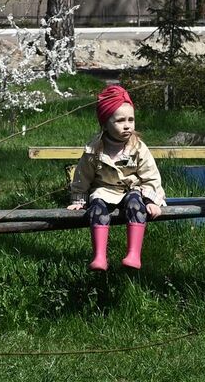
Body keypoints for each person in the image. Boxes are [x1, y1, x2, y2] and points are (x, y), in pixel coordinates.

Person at [66, 83, 165, 270]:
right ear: (105, 123)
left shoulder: (138, 148)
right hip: (104, 191)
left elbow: (151, 176)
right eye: (120, 121)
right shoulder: (94, 150)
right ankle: (99, 257)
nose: (127, 126)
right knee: (96, 210)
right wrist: (79, 199)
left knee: (136, 205)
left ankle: (134, 254)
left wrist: (152, 200)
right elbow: (82, 176)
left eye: (131, 120)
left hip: (132, 189)